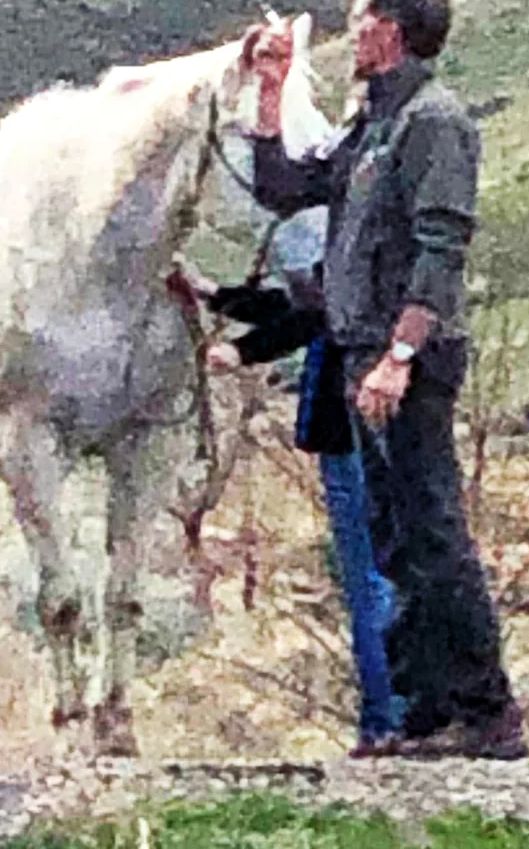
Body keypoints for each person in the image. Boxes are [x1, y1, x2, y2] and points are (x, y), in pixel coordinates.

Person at [240, 0, 526, 760]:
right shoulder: (372, 124)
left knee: (433, 531)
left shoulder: (435, 123)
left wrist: (400, 353)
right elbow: (285, 188)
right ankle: (426, 711)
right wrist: (273, 91)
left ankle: (488, 712)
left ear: (390, 31)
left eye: (358, 19)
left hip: (408, 362)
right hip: (362, 354)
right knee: (396, 536)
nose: (348, 33)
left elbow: (441, 246)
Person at [173, 208, 405, 756]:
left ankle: (385, 721)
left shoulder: (347, 279)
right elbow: (293, 309)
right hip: (357, 437)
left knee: (369, 580)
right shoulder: (370, 262)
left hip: (349, 438)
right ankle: (394, 715)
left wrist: (242, 351)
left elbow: (310, 317)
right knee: (377, 575)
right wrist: (213, 293)